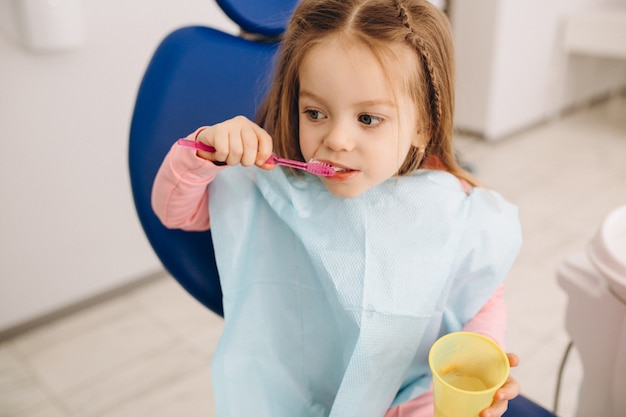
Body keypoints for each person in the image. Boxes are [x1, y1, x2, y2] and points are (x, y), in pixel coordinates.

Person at [151, 0, 522, 416]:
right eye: (315, 113)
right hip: (293, 394)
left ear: (423, 125)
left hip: (412, 395)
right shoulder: (272, 188)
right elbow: (174, 213)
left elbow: (483, 291)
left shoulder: (451, 207)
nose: (338, 139)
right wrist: (206, 150)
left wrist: (483, 350)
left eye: (368, 119)